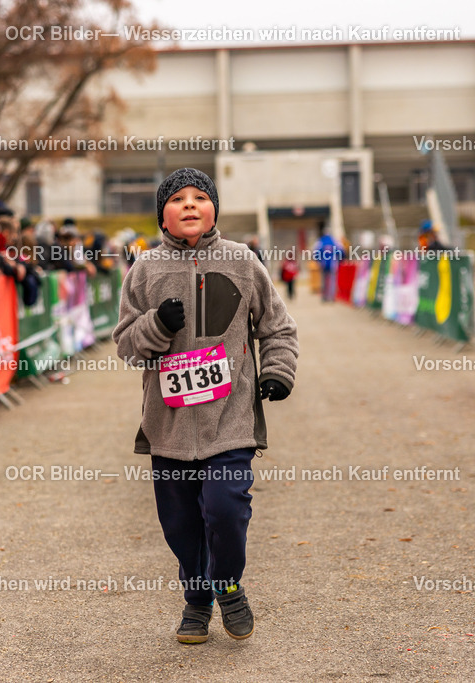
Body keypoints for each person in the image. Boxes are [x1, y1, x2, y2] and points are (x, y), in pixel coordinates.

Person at [112, 168, 298, 645]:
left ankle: (229, 586)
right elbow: (127, 345)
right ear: (162, 216)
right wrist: (155, 324)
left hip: (229, 419)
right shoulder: (145, 270)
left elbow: (277, 328)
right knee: (179, 523)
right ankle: (197, 601)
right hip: (168, 426)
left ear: (214, 207)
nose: (190, 205)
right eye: (177, 199)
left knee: (225, 508)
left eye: (200, 197)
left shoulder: (243, 261)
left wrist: (277, 371)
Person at [311, 227, 343, 302]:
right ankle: (332, 296)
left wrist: (318, 260)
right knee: (332, 280)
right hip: (333, 264)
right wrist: (340, 260)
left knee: (323, 280)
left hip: (323, 264)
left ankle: (324, 297)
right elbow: (341, 251)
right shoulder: (334, 241)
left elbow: (315, 252)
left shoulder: (320, 241)